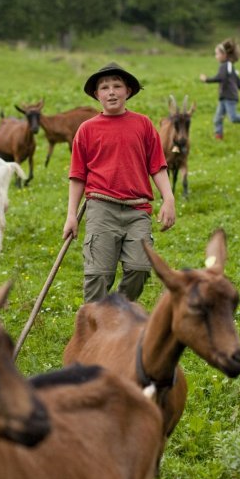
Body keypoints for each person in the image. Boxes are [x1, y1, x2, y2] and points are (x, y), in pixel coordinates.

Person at [62, 62, 175, 303]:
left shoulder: (143, 124)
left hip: (137, 210)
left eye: (117, 86)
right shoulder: (86, 130)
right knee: (99, 275)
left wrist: (169, 198)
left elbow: (157, 166)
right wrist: (71, 214)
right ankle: (94, 325)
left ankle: (118, 310)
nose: (111, 91)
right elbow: (77, 176)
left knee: (140, 267)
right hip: (101, 208)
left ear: (128, 92)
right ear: (97, 94)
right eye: (104, 87)